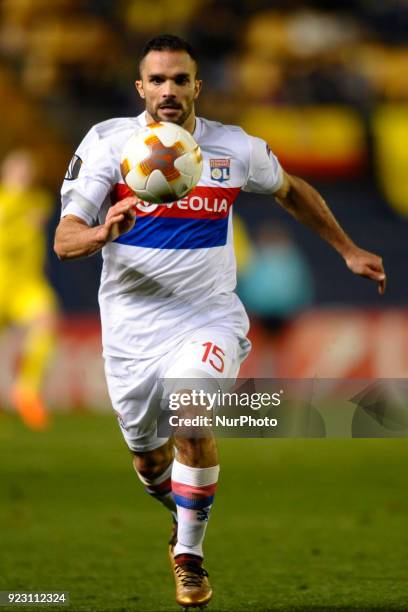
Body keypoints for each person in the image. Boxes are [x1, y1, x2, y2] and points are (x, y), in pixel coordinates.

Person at [54, 34, 386, 609]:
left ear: (197, 86)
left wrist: (347, 248)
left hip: (207, 319)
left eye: (180, 80)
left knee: (191, 416)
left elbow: (290, 190)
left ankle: (189, 557)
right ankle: (182, 509)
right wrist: (103, 231)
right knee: (148, 457)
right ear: (141, 88)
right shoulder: (108, 145)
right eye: (157, 80)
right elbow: (64, 240)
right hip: (132, 329)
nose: (169, 91)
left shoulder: (233, 150)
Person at [0, 149, 58, 430]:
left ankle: (26, 390)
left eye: (27, 171)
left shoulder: (38, 200)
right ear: (6, 173)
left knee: (46, 320)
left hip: (27, 285)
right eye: (18, 169)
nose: (23, 175)